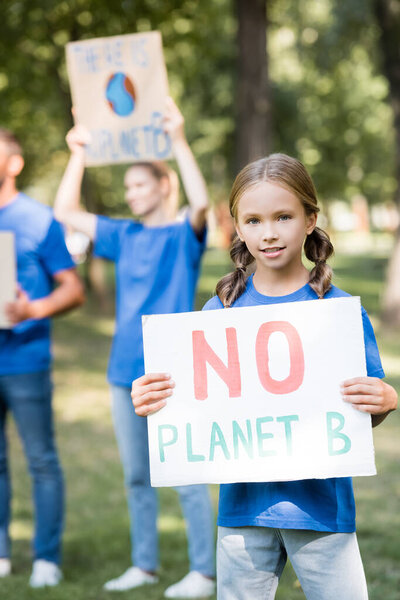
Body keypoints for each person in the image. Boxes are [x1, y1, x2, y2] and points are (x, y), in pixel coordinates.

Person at [131, 153, 398, 600]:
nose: (268, 232)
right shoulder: (218, 314)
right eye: (252, 220)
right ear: (236, 226)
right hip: (241, 513)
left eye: (283, 217)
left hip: (321, 513)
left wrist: (385, 401)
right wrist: (156, 401)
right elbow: (197, 413)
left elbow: (358, 416)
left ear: (310, 219)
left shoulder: (339, 313)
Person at [54, 98, 215, 598]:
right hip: (124, 370)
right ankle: (144, 566)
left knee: (186, 475)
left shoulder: (184, 234)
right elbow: (64, 211)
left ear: (163, 186)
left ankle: (204, 573)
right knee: (136, 476)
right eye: (126, 186)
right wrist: (78, 151)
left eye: (140, 183)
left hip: (174, 371)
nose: (131, 192)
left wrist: (180, 140)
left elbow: (204, 202)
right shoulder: (122, 235)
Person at [0, 129, 85, 587]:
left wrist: (31, 308)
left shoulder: (38, 219)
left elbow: (73, 288)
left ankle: (47, 558)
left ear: (13, 163)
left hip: (26, 360)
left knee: (41, 461)